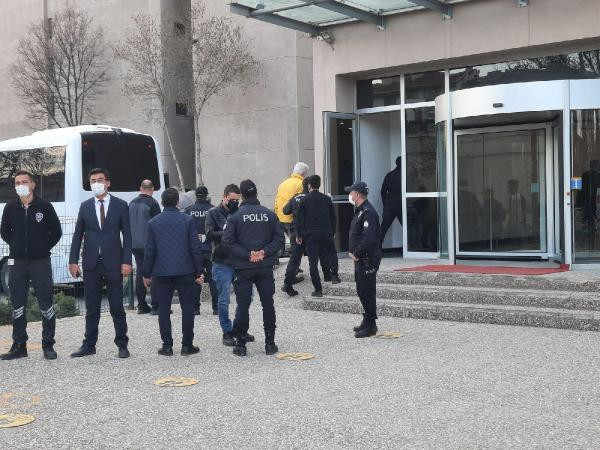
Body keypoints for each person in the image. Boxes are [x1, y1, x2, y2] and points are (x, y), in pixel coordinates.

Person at [68, 168, 132, 359]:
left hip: (114, 263)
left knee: (117, 307)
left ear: (108, 182)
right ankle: (89, 345)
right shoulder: (85, 206)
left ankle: (122, 344)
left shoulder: (121, 205)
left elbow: (128, 235)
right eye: (93, 180)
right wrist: (73, 261)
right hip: (91, 263)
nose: (96, 183)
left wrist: (127, 261)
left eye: (100, 180)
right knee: (91, 308)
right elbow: (78, 234)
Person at [0, 170, 62, 360]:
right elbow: (5, 233)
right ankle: (19, 346)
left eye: (24, 182)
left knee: (46, 303)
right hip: (17, 263)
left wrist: (41, 247)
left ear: (33, 184)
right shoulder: (10, 208)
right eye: (17, 183)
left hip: (40, 262)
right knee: (17, 304)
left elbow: (56, 232)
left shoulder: (45, 206)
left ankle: (48, 345)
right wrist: (17, 247)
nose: (21, 185)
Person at [223, 179, 284, 357]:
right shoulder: (269, 214)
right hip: (265, 266)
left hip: (244, 267)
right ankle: (270, 344)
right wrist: (264, 252)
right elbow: (279, 239)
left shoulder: (235, 216)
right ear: (256, 193)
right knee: (268, 304)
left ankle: (241, 345)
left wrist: (247, 254)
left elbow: (227, 241)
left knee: (243, 305)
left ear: (242, 195)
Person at [142, 188, 205, 356]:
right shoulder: (188, 220)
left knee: (163, 309)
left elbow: (150, 251)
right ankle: (187, 345)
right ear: (178, 202)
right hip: (185, 270)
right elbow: (195, 248)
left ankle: (167, 346)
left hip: (161, 272)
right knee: (188, 309)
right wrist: (199, 271)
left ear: (162, 202)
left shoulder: (153, 223)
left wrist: (146, 273)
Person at [205, 184, 255, 347]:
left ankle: (240, 328)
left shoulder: (240, 212)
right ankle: (227, 331)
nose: (235, 202)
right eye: (232, 199)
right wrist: (229, 232)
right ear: (224, 197)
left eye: (237, 200)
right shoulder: (213, 213)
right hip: (222, 261)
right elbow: (209, 234)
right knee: (224, 299)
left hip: (240, 261)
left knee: (247, 296)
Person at [346, 181, 382, 338]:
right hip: (360, 259)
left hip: (367, 259)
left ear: (357, 194)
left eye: (351, 192)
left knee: (367, 291)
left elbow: (368, 238)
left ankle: (371, 325)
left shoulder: (368, 212)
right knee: (361, 290)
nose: (350, 195)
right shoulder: (360, 211)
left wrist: (357, 252)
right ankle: (367, 320)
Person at [296, 174, 340, 297]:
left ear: (309, 185)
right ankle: (334, 276)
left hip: (311, 235)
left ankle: (318, 289)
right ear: (319, 185)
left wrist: (299, 234)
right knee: (332, 253)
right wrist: (333, 231)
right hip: (326, 233)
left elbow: (300, 220)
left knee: (313, 263)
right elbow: (333, 217)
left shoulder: (304, 200)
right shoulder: (327, 199)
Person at [129, 179, 161, 314]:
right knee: (154, 272)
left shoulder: (131, 203)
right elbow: (158, 224)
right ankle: (156, 305)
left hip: (134, 244)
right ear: (152, 189)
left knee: (140, 272)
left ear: (140, 188)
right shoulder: (153, 203)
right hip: (149, 244)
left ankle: (141, 305)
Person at [185, 185, 218, 315]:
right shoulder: (213, 210)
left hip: (194, 249)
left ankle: (195, 308)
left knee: (196, 277)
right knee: (213, 278)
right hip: (210, 249)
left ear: (196, 196)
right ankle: (216, 308)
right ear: (206, 195)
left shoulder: (188, 210)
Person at [274, 162, 309, 240]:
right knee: (296, 242)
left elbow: (276, 202)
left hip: (281, 218)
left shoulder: (283, 183)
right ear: (303, 174)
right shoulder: (301, 184)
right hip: (292, 220)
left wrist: (278, 216)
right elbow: (300, 204)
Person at [380, 156, 403, 248]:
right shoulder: (405, 174)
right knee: (407, 228)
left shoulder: (389, 175)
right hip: (400, 204)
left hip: (389, 204)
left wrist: (385, 203)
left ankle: (376, 248)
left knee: (383, 228)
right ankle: (411, 248)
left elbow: (382, 191)